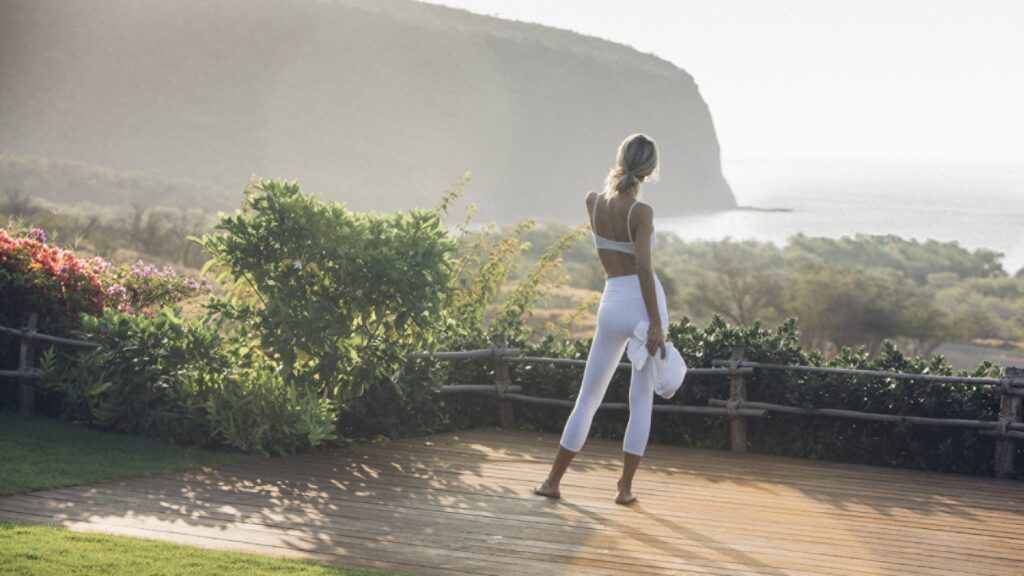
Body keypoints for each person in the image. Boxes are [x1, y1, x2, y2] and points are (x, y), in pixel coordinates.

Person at [533, 133, 668, 506]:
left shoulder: (593, 203)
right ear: (651, 170)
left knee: (588, 398)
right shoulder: (641, 213)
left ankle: (552, 480)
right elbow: (643, 267)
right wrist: (655, 323)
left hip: (611, 303)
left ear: (620, 157)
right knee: (640, 400)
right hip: (643, 305)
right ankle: (623, 489)